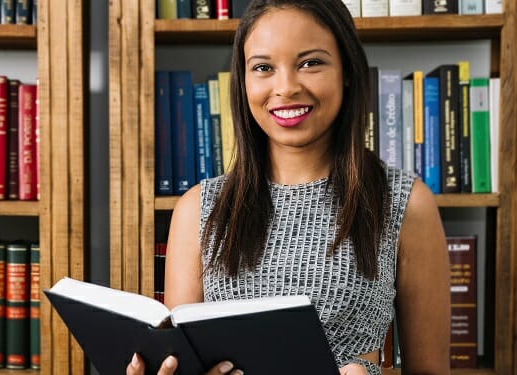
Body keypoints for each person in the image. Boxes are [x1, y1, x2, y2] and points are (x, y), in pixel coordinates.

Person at [126, 0, 450, 374]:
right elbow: (185, 364)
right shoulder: (199, 209)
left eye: (310, 63)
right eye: (263, 68)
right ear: (243, 81)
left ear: (347, 70)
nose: (286, 88)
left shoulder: (404, 203)